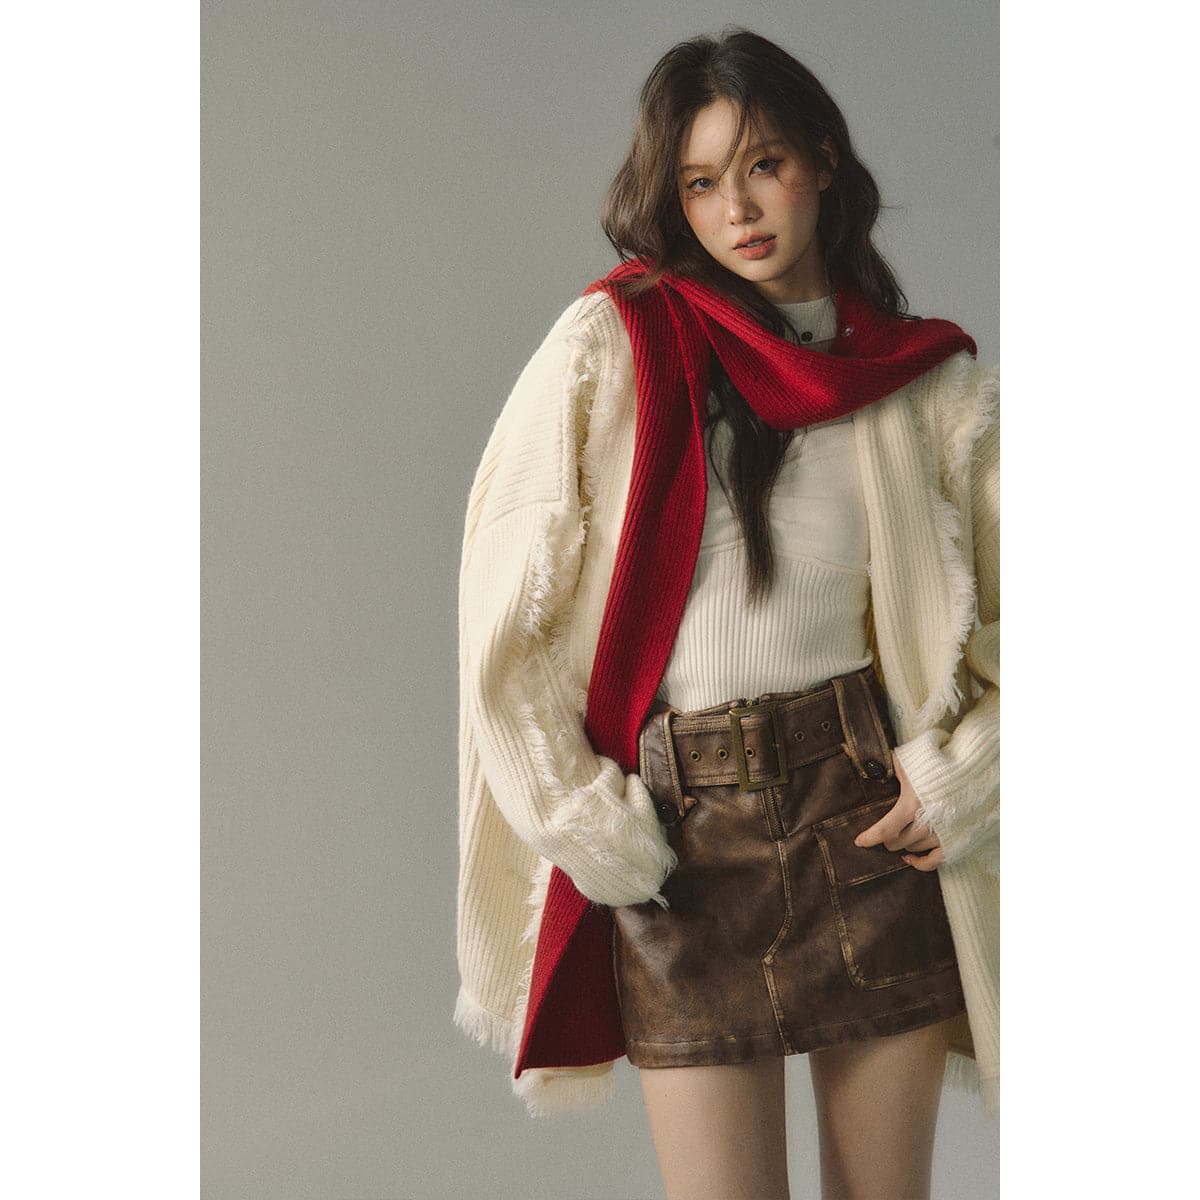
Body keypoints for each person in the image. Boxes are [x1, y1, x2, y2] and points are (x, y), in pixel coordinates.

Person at [454, 27, 998, 1200]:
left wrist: (966, 773)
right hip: (685, 837)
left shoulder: (922, 385)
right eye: (701, 182)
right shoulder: (615, 344)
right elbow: (505, 612)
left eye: (763, 166)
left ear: (823, 162)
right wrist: (583, 819)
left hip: (862, 818)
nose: (737, 208)